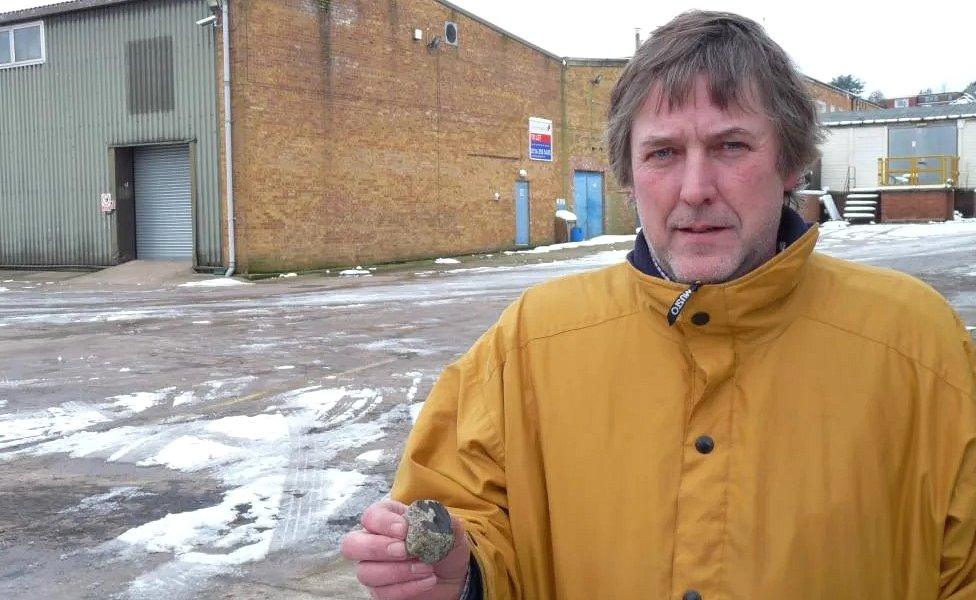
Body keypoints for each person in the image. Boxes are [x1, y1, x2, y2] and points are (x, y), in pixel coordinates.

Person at [341, 10, 976, 599]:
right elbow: (474, 518)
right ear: (628, 171)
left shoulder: (920, 344)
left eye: (731, 146)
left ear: (789, 163)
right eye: (664, 153)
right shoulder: (530, 344)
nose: (696, 189)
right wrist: (459, 574)